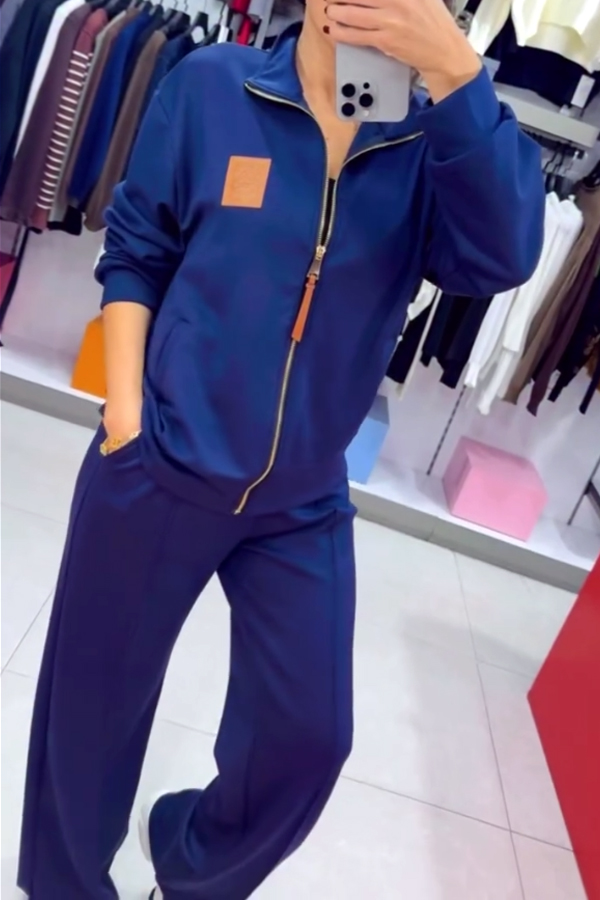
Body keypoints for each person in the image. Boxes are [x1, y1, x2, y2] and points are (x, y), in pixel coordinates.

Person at [18, 0, 545, 897]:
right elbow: (138, 245)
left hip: (300, 498)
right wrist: (126, 415)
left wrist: (458, 76)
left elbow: (502, 258)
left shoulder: (429, 146)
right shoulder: (213, 88)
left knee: (309, 738)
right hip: (162, 461)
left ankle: (187, 855)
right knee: (89, 711)